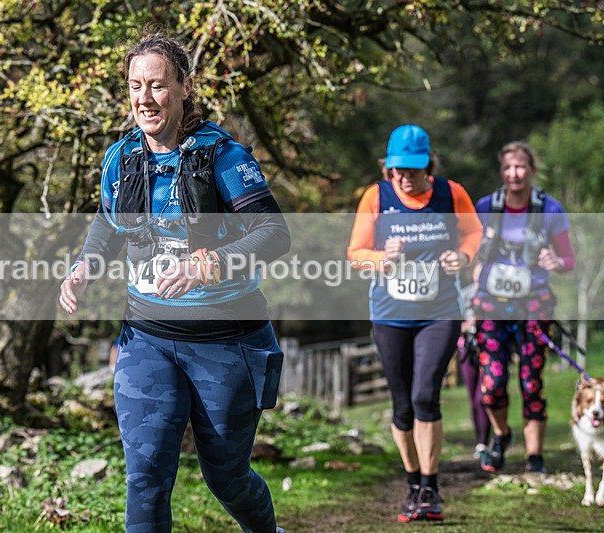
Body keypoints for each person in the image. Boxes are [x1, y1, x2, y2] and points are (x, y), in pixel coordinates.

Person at [59, 32, 290, 533]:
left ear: (185, 87)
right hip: (147, 339)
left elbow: (275, 233)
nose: (144, 98)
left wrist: (211, 262)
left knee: (226, 477)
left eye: (158, 86)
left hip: (227, 342)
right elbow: (107, 222)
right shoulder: (121, 159)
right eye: (135, 86)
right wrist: (85, 265)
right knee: (145, 477)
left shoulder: (224, 158)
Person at [347, 124, 482, 523]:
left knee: (426, 396)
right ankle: (411, 485)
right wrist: (379, 258)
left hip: (440, 312)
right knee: (403, 405)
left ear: (429, 164)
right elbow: (355, 253)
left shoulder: (451, 193)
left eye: (412, 169)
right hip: (390, 314)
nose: (403, 176)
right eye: (396, 169)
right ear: (387, 167)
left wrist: (464, 257)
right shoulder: (376, 196)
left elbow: (474, 233)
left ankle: (431, 487)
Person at [472, 141, 574, 475]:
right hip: (491, 305)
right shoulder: (486, 206)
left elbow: (568, 260)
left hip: (534, 306)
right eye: (507, 168)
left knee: (532, 382)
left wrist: (555, 261)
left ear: (531, 170)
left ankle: (535, 458)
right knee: (493, 382)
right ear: (501, 172)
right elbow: (468, 250)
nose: (514, 174)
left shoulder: (550, 210)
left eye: (520, 167)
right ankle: (501, 435)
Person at [457, 283, 491, 460]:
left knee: (482, 397)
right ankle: (480, 440)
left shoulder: (493, 292)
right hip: (467, 350)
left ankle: (485, 441)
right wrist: (464, 327)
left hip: (489, 349)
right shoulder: (464, 294)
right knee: (473, 399)